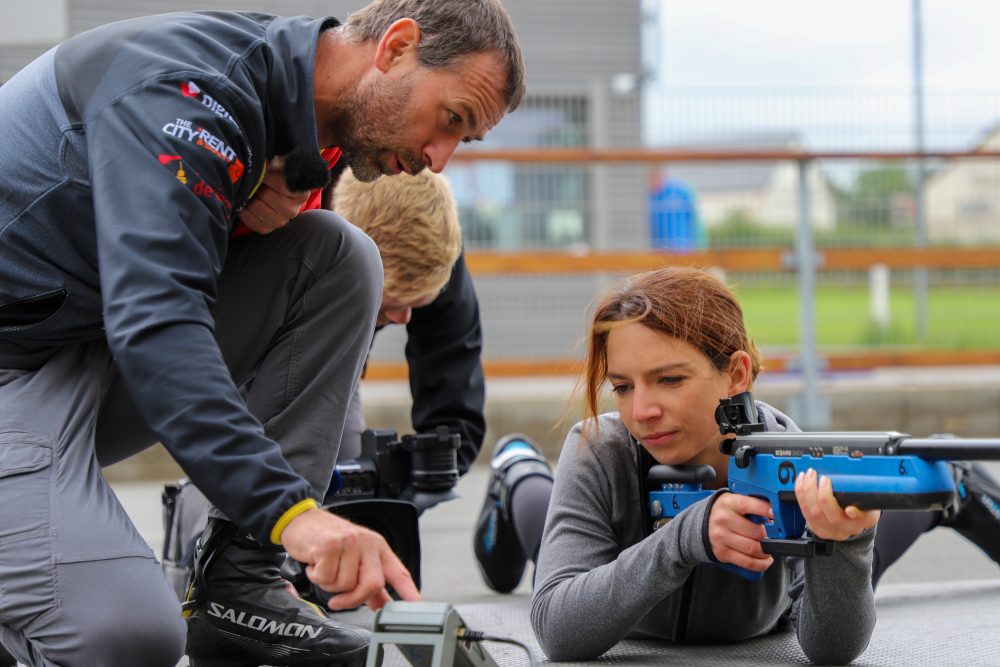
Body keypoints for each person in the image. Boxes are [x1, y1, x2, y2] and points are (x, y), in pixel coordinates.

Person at [0, 1, 524, 665]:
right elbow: (159, 323)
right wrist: (293, 513)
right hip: (20, 371)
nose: (438, 159)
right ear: (395, 48)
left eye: (464, 141)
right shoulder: (190, 93)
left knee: (339, 256)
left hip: (77, 348)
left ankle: (239, 587)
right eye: (451, 120)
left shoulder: (306, 114)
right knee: (128, 638)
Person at [475, 267, 1000, 663]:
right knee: (537, 508)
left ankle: (950, 471)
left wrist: (845, 545)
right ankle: (515, 467)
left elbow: (831, 650)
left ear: (736, 374)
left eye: (670, 379)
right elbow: (559, 629)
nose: (641, 411)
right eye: (623, 386)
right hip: (607, 563)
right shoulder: (600, 448)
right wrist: (688, 537)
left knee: (883, 506)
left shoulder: (784, 454)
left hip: (765, 615)